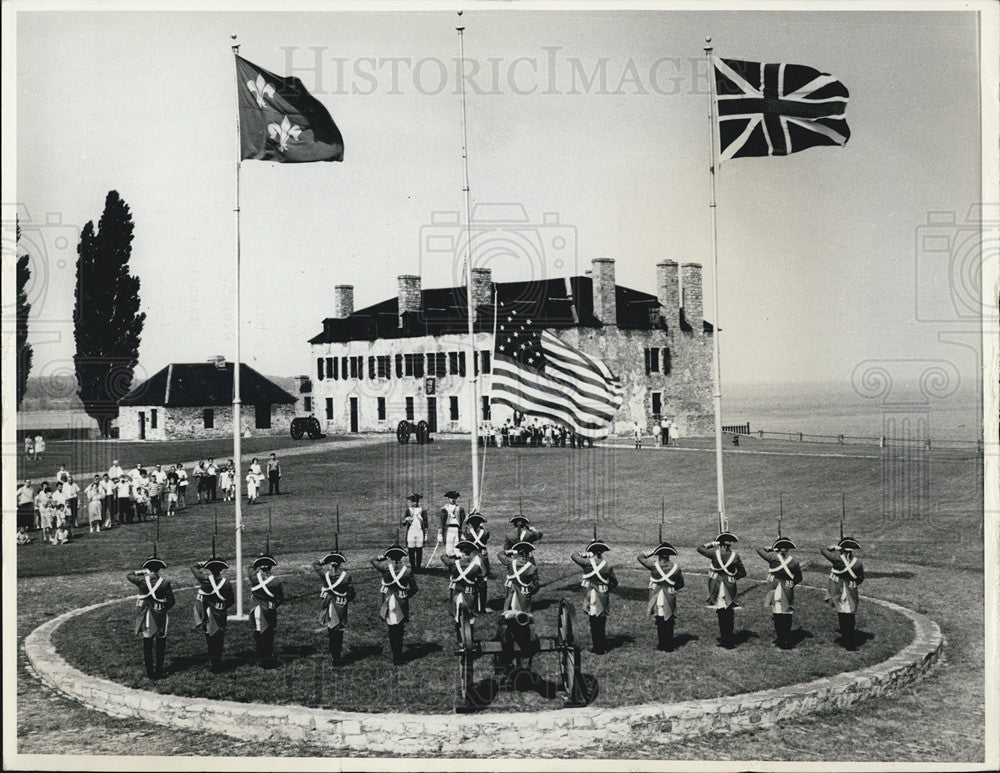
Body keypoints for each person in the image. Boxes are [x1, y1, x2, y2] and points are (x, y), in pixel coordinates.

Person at [126, 555, 176, 679]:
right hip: (160, 614)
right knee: (161, 642)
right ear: (159, 569)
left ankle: (150, 673)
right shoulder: (164, 583)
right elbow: (171, 601)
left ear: (147, 569)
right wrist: (162, 609)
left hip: (146, 614)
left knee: (147, 643)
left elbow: (129, 575)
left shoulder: (141, 581)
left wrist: (142, 572)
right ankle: (159, 671)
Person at [370, 545, 419, 665]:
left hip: (389, 600)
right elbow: (414, 588)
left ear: (389, 557)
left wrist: (381, 557)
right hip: (401, 601)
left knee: (392, 629)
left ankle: (395, 656)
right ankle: (398, 656)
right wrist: (406, 596)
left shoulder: (385, 567)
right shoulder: (407, 570)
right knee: (400, 629)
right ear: (402, 557)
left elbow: (372, 561)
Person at [697, 531, 747, 649]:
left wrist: (712, 543)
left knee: (721, 614)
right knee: (729, 613)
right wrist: (733, 578)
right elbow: (743, 572)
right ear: (730, 544)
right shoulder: (735, 556)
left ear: (720, 544)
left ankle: (725, 639)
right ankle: (728, 640)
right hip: (729, 587)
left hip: (717, 586)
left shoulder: (714, 554)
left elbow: (700, 548)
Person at [571, 539, 619, 654]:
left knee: (593, 622)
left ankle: (596, 645)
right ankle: (600, 646)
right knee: (601, 622)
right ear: (602, 552)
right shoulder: (607, 566)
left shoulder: (586, 563)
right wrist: (606, 589)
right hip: (602, 595)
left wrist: (586, 554)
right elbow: (614, 582)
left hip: (589, 594)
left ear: (591, 552)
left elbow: (573, 555)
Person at [637, 541, 685, 651]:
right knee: (669, 620)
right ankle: (669, 645)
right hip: (669, 595)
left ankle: (661, 644)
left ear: (658, 555)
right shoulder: (676, 568)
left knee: (659, 620)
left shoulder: (653, 566)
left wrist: (652, 551)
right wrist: (671, 588)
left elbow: (640, 557)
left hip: (656, 595)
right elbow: (681, 584)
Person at [191, 555, 236, 672]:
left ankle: (213, 662)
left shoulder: (204, 580)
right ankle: (218, 662)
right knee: (219, 638)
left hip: (207, 614)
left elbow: (193, 566)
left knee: (209, 638)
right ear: (221, 570)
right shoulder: (226, 584)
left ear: (209, 569)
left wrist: (205, 562)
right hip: (219, 613)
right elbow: (230, 601)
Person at [757, 537, 803, 649]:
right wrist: (790, 583)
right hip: (787, 589)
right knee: (787, 614)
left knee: (777, 615)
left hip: (775, 588)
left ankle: (780, 639)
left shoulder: (772, 557)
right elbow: (799, 578)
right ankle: (785, 640)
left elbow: (759, 550)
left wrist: (770, 548)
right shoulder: (794, 561)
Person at [821, 537, 865, 651]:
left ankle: (846, 640)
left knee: (842, 615)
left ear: (842, 549)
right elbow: (860, 579)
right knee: (850, 616)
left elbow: (823, 550)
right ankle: (850, 642)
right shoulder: (858, 563)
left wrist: (834, 548)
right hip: (851, 590)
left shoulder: (837, 559)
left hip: (839, 590)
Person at [313, 550, 355, 665]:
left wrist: (324, 560)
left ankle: (334, 655)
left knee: (331, 630)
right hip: (339, 605)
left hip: (328, 604)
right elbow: (351, 594)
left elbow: (315, 564)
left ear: (330, 563)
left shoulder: (325, 574)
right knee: (338, 630)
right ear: (340, 563)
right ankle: (337, 657)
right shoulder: (346, 576)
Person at [441, 539, 485, 647]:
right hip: (469, 595)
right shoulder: (475, 567)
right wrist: (475, 589)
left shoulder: (454, 564)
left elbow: (443, 557)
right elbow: (481, 583)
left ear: (461, 553)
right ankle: (470, 640)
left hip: (457, 595)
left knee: (457, 618)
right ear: (470, 555)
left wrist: (450, 554)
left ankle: (460, 641)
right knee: (470, 619)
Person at [246, 552, 284, 668]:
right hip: (268, 610)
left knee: (260, 633)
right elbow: (280, 599)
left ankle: (264, 657)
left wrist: (259, 558)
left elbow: (250, 568)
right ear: (270, 566)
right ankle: (266, 661)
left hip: (255, 609)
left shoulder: (253, 577)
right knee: (267, 635)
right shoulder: (275, 581)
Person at [496, 541, 540, 614]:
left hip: (510, 593)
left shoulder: (510, 562)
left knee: (507, 614)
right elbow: (536, 586)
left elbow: (500, 554)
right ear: (528, 554)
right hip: (524, 595)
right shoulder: (532, 568)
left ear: (517, 553)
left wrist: (510, 551)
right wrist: (529, 592)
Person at [461, 512, 492, 611]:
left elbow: (464, 537)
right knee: (483, 582)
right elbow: (486, 539)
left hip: (473, 557)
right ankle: (481, 607)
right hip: (483, 558)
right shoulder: (486, 532)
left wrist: (466, 522)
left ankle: (473, 605)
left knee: (472, 582)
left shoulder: (469, 534)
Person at [401, 493, 428, 571]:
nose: (415, 503)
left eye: (416, 501)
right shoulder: (408, 510)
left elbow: (426, 522)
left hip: (420, 531)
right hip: (411, 531)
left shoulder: (422, 510)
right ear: (411, 502)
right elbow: (404, 523)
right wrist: (406, 520)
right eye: (413, 501)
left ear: (418, 501)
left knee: (419, 549)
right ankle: (413, 567)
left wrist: (426, 533)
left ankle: (418, 567)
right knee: (411, 549)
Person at [438, 490, 466, 558]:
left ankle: (457, 565)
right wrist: (439, 534)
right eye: (451, 498)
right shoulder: (444, 509)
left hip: (457, 530)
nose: (453, 499)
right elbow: (442, 522)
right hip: (449, 529)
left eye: (454, 498)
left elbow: (463, 522)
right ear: (448, 498)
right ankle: (450, 566)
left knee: (457, 548)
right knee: (449, 549)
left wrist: (462, 533)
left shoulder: (460, 509)